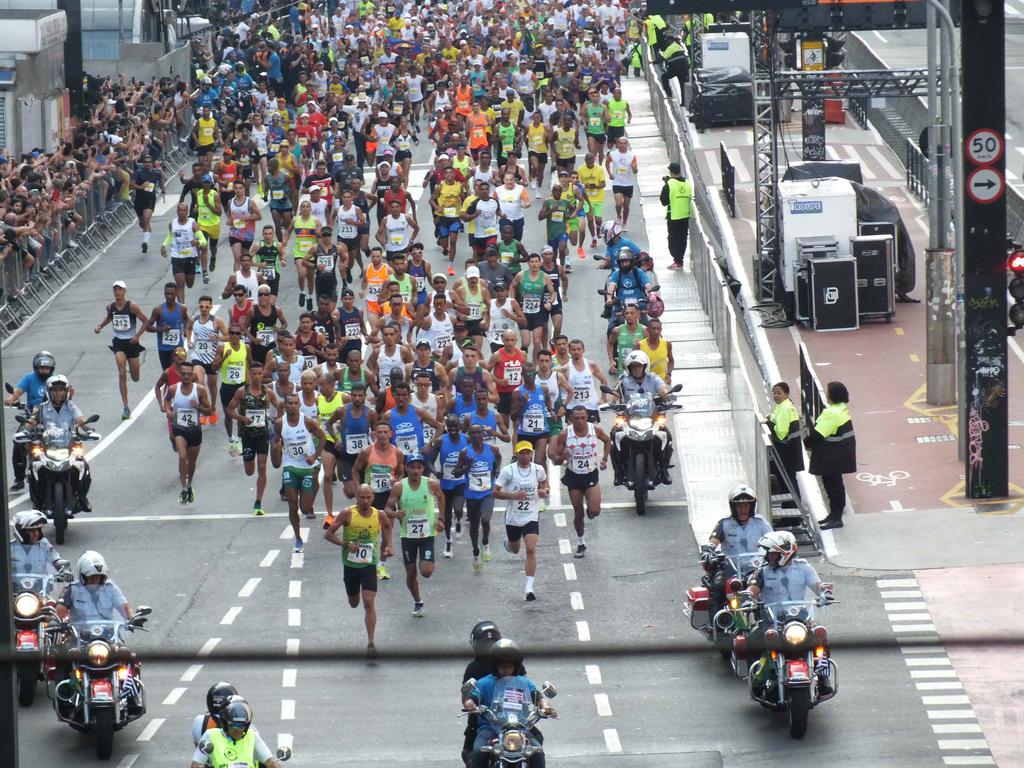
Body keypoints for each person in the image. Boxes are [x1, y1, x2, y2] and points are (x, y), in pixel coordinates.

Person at [747, 531, 834, 695]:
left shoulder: (804, 568)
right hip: (772, 620)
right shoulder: (762, 572)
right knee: (754, 638)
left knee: (820, 636)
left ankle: (823, 677)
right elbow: (753, 588)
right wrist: (748, 597)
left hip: (800, 618)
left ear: (784, 553)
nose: (768, 557)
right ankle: (757, 678)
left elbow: (817, 586)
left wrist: (824, 593)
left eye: (772, 553)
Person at [462, 639, 555, 768]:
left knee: (537, 752)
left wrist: (545, 706)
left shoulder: (524, 683)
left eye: (509, 666)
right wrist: (470, 704)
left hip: (520, 728)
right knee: (479, 752)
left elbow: (537, 695)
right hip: (490, 728)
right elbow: (472, 697)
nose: (505, 670)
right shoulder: (484, 683)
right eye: (501, 666)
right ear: (495, 666)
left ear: (515, 666)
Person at [324, 483, 392, 656]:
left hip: (369, 565)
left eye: (369, 497)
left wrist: (388, 546)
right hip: (351, 565)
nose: (366, 501)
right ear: (357, 497)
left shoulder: (380, 514)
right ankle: (352, 595)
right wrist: (346, 544)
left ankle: (371, 643)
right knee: (354, 602)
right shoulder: (348, 513)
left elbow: (387, 528)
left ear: (373, 498)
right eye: (362, 497)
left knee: (369, 601)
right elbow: (328, 534)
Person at [384, 452, 445, 617]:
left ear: (423, 469)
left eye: (419, 467)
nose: (415, 471)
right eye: (412, 467)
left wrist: (441, 519)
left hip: (426, 535)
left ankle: (424, 561)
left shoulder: (431, 484)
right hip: (408, 536)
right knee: (411, 573)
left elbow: (441, 497)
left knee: (426, 571)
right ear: (406, 468)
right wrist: (396, 514)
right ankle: (418, 601)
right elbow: (387, 508)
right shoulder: (399, 487)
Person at [23, 375, 93, 513]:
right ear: (49, 392)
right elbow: (31, 422)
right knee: (33, 468)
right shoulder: (41, 408)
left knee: (84, 466)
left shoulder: (71, 406)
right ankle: (37, 501)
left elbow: (80, 420)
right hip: (47, 446)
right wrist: (25, 430)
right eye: (54, 390)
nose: (58, 393)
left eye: (61, 390)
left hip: (68, 446)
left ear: (66, 392)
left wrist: (89, 429)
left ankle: (83, 497)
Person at [548, 406, 610, 558]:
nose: (580, 421)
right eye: (576, 418)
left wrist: (604, 459)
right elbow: (555, 460)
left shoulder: (595, 430)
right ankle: (581, 543)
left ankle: (591, 507)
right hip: (574, 477)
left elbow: (608, 441)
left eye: (583, 418)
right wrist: (563, 457)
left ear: (587, 417)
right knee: (579, 514)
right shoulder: (564, 434)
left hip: (590, 475)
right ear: (571, 419)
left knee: (594, 511)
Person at [705, 486, 774, 621]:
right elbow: (712, 542)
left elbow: (773, 541)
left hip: (756, 568)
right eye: (739, 506)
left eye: (746, 506)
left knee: (771, 586)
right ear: (733, 507)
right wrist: (708, 550)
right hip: (729, 568)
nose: (743, 509)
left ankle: (770, 622)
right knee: (717, 588)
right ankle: (718, 625)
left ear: (751, 506)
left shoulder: (761, 523)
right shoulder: (724, 523)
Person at [607, 350, 674, 486]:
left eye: (639, 365)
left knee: (666, 435)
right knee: (614, 437)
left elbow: (663, 390)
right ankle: (618, 472)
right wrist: (612, 401)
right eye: (633, 366)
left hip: (652, 418)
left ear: (645, 366)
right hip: (629, 418)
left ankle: (664, 469)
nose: (636, 368)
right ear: (629, 368)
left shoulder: (654, 378)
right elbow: (614, 393)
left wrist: (667, 397)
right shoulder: (624, 380)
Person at [494, 441, 549, 601]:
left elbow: (544, 482)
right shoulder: (508, 471)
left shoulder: (538, 469)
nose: (525, 456)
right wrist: (513, 496)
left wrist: (544, 491)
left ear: (531, 454)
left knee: (531, 548)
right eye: (522, 453)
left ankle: (529, 587)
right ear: (516, 454)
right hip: (513, 516)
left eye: (528, 453)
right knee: (516, 548)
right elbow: (495, 493)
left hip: (531, 514)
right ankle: (509, 544)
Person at [273, 392, 327, 553]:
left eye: (296, 403)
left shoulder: (307, 422)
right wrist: (275, 450)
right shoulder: (279, 424)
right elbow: (276, 442)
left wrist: (315, 456)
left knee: (304, 507)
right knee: (292, 503)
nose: (293, 406)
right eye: (290, 403)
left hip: (307, 467)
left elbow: (323, 438)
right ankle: (297, 537)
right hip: (290, 465)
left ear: (300, 405)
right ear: (285, 405)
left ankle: (309, 498)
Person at [226, 361, 279, 516]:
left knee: (262, 467)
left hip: (263, 434)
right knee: (250, 471)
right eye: (254, 374)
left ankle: (258, 502)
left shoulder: (268, 392)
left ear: (263, 374)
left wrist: (278, 420)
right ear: (249, 374)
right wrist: (241, 418)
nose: (257, 377)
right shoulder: (242, 392)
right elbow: (229, 410)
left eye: (259, 374)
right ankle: (249, 467)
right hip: (247, 435)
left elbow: (280, 406)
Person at [805, 381, 856, 530]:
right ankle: (834, 515)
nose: (826, 395)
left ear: (833, 395)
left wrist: (805, 443)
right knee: (835, 484)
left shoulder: (831, 413)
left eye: (828, 392)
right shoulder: (841, 409)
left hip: (831, 456)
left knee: (833, 485)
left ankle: (836, 517)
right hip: (839, 454)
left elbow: (818, 434)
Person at [95, 281, 149, 420]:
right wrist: (100, 325)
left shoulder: (132, 307)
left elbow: (146, 321)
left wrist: (137, 336)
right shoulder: (110, 307)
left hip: (131, 343)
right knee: (121, 374)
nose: (117, 292)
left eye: (120, 289)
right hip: (118, 343)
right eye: (115, 289)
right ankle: (126, 407)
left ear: (125, 291)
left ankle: (132, 369)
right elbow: (109, 317)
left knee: (135, 377)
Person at [163, 360, 215, 504]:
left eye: (188, 374)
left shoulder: (199, 390)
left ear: (193, 375)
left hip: (195, 430)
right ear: (179, 374)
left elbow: (209, 411)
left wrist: (197, 406)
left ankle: (190, 483)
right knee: (182, 457)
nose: (186, 376)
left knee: (192, 461)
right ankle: (184, 488)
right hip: (179, 428)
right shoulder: (174, 389)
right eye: (183, 374)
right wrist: (168, 410)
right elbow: (166, 400)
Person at [6, 351, 56, 490]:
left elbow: (67, 392)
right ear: (36, 367)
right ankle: (19, 478)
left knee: (69, 438)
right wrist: (11, 399)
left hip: (52, 417)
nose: (44, 370)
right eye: (42, 368)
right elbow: (17, 391)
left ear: (51, 369)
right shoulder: (29, 378)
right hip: (31, 417)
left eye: (47, 368)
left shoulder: (55, 380)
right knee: (18, 440)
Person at [454, 423, 500, 571]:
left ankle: (485, 542)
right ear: (469, 435)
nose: (475, 436)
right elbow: (456, 473)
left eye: (478, 433)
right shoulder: (465, 452)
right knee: (474, 525)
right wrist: (467, 466)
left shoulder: (492, 449)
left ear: (483, 435)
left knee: (485, 519)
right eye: (472, 433)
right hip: (472, 494)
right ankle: (475, 551)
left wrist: (496, 470)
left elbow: (498, 458)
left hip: (488, 492)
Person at [190, 697, 284, 768]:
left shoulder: (252, 736)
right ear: (224, 723)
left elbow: (270, 761)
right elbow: (196, 764)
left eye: (242, 725)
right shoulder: (210, 736)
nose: (238, 730)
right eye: (234, 725)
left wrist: (275, 765)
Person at [434, 415, 469, 558]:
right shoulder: (441, 441)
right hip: (445, 484)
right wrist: (435, 472)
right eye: (450, 427)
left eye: (456, 427)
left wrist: (467, 467)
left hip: (461, 481)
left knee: (459, 508)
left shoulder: (467, 439)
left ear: (460, 426)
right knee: (447, 515)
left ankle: (459, 520)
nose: (453, 430)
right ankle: (448, 541)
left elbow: (474, 453)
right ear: (446, 427)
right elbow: (430, 460)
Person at [768, 382, 804, 499]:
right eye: (774, 393)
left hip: (785, 452)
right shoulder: (785, 407)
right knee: (789, 480)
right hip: (790, 452)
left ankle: (792, 509)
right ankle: (792, 508)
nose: (775, 395)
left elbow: (781, 433)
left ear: (786, 394)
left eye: (779, 393)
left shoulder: (784, 408)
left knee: (787, 482)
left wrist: (768, 423)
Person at [9, 509, 63, 577]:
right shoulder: (9, 548)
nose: (36, 534)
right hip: (15, 587)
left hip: (42, 586)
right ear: (20, 532)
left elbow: (55, 559)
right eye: (31, 530)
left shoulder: (44, 544)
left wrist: (64, 570)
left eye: (38, 530)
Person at [660, 162, 692, 271]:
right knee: (682, 239)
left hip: (673, 216)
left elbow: (664, 201)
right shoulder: (687, 183)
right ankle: (680, 261)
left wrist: (666, 183)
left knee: (673, 240)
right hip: (685, 215)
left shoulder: (669, 184)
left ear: (671, 171)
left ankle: (677, 261)